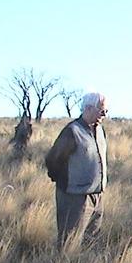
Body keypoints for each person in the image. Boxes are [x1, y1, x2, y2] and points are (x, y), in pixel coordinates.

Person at [45, 92, 108, 248]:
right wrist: (66, 184)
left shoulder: (100, 130)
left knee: (91, 243)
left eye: (106, 111)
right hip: (74, 198)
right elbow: (53, 160)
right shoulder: (72, 131)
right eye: (101, 110)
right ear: (88, 108)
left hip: (97, 196)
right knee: (69, 243)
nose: (105, 114)